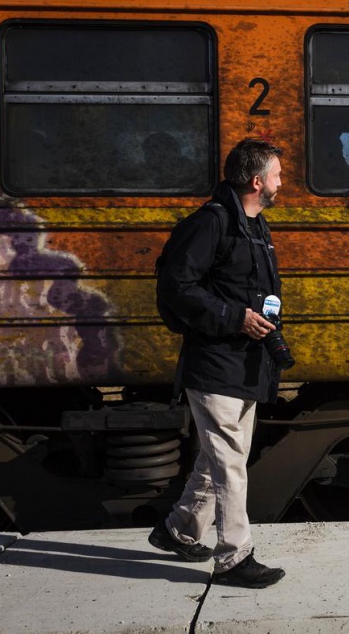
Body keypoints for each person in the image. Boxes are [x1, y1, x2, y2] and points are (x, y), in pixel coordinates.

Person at [148, 138, 286, 589]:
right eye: (278, 175)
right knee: (229, 463)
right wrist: (235, 317)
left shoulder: (254, 226)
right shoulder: (212, 222)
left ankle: (178, 530)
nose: (282, 182)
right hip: (214, 363)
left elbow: (246, 291)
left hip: (245, 362)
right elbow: (177, 286)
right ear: (256, 180)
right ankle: (234, 557)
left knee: (221, 458)